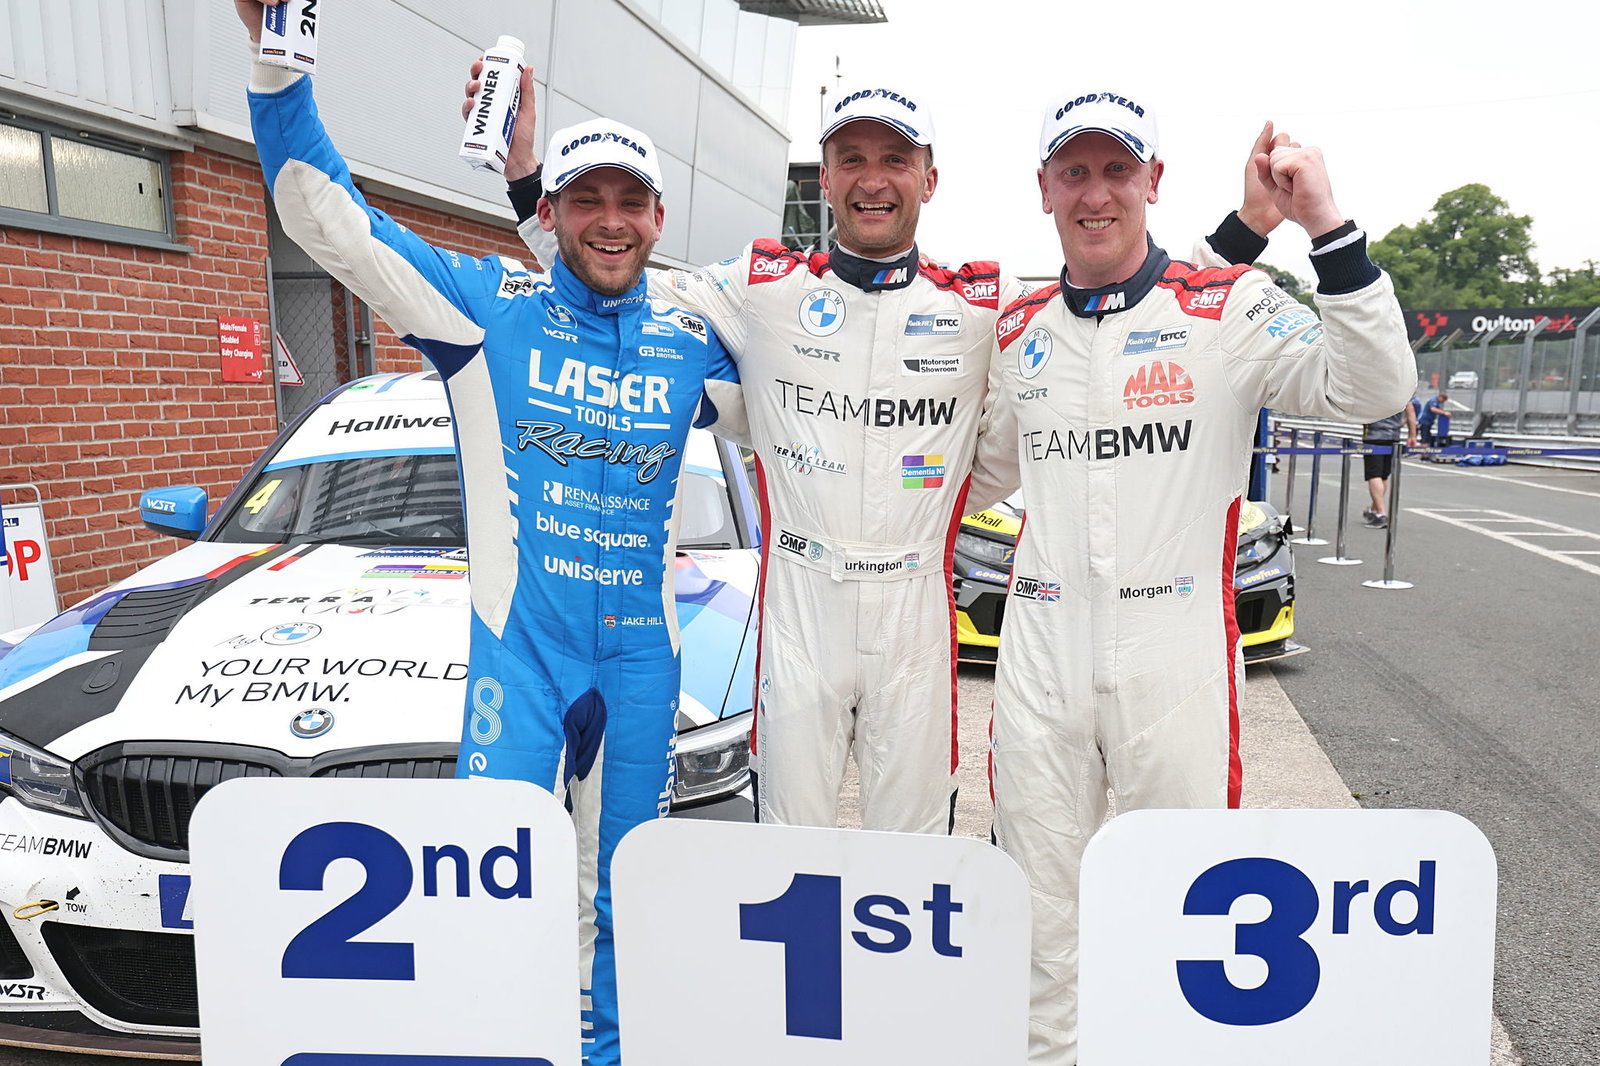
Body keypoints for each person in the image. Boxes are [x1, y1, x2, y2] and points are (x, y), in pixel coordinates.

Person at [474, 70, 1282, 834]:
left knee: (917, 853)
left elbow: (1126, 292)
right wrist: (525, 188)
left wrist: (1241, 234)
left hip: (915, 607)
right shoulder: (761, 285)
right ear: (823, 177)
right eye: (850, 158)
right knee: (790, 843)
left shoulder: (979, 301)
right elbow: (609, 281)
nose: (872, 178)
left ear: (928, 178)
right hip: (800, 601)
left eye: (894, 158)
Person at [234, 5, 743, 1064]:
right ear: (549, 212)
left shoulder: (695, 336)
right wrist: (276, 58)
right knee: (493, 889)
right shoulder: (485, 308)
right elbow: (325, 216)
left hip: (645, 665)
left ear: (659, 217)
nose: (611, 220)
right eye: (586, 199)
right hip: (524, 654)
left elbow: (813, 394)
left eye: (631, 202)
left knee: (623, 903)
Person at [969, 90, 1416, 1063]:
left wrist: (1323, 227)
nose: (1096, 193)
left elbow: (1376, 393)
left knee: (1179, 908)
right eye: (1075, 171)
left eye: (1116, 169)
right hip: (1040, 645)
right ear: (1043, 186)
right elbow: (981, 468)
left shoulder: (1233, 306)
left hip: (1174, 650)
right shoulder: (1015, 329)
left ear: (1153, 181)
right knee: (1039, 918)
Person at [1364, 402, 1419, 526]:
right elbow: (1410, 411)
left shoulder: (1372, 390)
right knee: (1383, 475)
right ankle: (1374, 509)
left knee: (1374, 475)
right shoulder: (1400, 389)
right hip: (1393, 436)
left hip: (1373, 436)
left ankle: (1381, 513)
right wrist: (1412, 435)